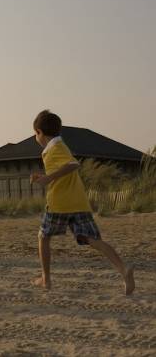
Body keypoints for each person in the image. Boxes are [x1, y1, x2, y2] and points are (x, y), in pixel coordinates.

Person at [30, 110, 135, 294]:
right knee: (93, 240)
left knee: (43, 237)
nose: (34, 137)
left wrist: (49, 178)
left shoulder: (56, 147)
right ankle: (123, 270)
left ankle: (46, 279)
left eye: (35, 133)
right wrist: (46, 177)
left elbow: (73, 165)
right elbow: (64, 169)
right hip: (78, 202)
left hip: (59, 203)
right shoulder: (57, 147)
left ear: (39, 132)